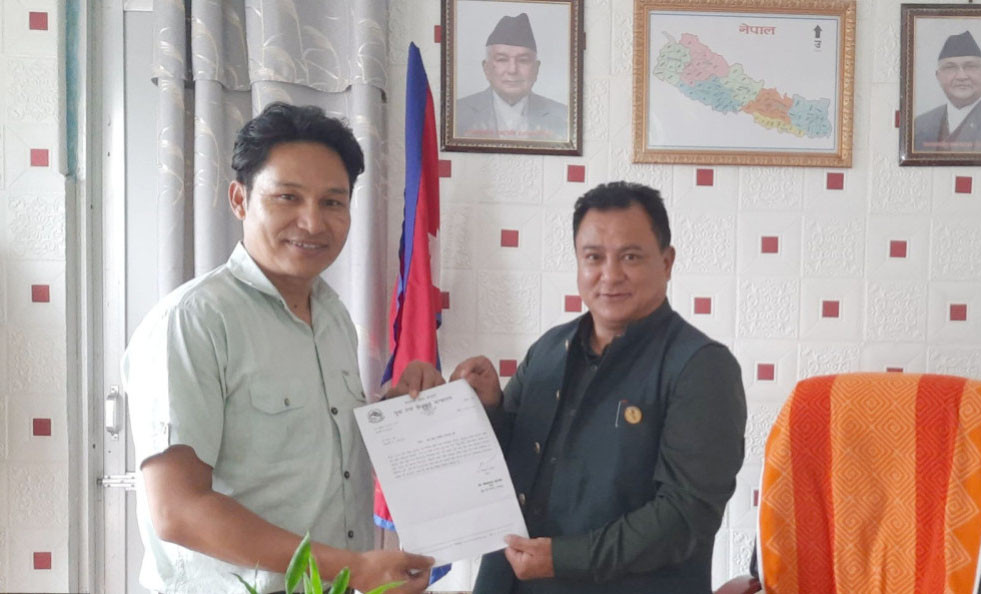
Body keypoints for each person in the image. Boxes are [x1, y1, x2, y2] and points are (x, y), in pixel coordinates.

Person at [121, 102, 436, 594]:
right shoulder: (192, 321)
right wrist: (350, 566)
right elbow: (177, 510)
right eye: (288, 197)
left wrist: (408, 407)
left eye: (332, 202)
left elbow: (319, 454)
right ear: (240, 199)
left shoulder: (332, 317)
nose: (312, 223)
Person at [451, 182, 747, 593]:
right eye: (593, 257)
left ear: (666, 262)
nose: (610, 275)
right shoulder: (549, 350)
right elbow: (507, 466)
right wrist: (489, 408)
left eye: (630, 256)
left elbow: (685, 517)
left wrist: (562, 558)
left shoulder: (701, 367)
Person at [455, 12, 568, 141]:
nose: (512, 70)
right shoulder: (457, 113)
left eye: (523, 60)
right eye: (502, 59)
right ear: (486, 68)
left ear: (536, 69)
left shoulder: (563, 116)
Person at [914, 30, 981, 152]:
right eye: (950, 67)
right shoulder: (919, 124)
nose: (961, 76)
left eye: (971, 66)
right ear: (938, 76)